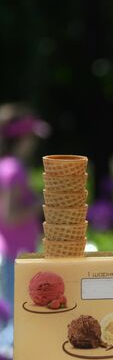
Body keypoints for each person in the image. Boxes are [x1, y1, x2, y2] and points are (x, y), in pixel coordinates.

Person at [0, 103, 49, 311]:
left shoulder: (8, 166)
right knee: (15, 319)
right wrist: (39, 203)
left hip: (15, 257)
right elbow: (10, 216)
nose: (33, 144)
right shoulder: (14, 169)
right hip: (14, 258)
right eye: (31, 137)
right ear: (22, 138)